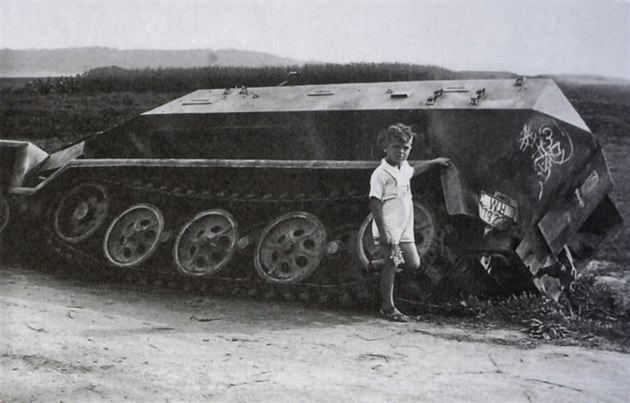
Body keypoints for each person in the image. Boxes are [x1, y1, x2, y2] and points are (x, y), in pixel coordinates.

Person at [369, 123, 450, 322]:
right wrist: (383, 232)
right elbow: (374, 202)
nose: (401, 152)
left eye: (406, 148)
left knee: (413, 263)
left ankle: (376, 265)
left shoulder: (404, 167)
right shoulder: (381, 173)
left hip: (405, 227)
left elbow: (414, 170)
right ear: (386, 147)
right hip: (389, 227)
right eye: (396, 147)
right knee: (393, 263)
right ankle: (388, 308)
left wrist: (434, 162)